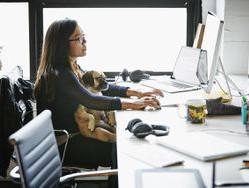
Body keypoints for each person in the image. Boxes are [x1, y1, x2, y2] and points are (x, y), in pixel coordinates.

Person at [33, 18, 163, 186]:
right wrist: (136, 104)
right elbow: (91, 100)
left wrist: (136, 92)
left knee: (125, 142)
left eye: (84, 36)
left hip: (79, 135)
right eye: (79, 38)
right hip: (68, 144)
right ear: (62, 44)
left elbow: (103, 87)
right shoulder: (60, 74)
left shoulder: (73, 67)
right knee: (124, 149)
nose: (85, 42)